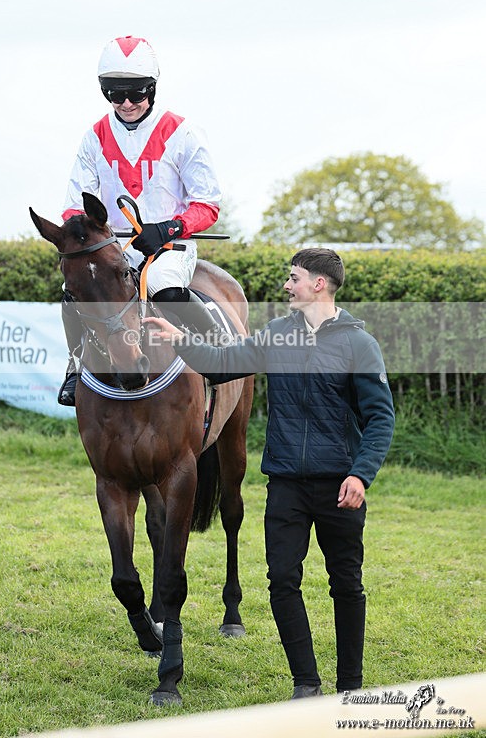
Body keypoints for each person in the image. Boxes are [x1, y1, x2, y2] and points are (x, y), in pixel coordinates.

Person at [145, 248, 395, 699]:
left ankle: (351, 687)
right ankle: (306, 685)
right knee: (282, 580)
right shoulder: (279, 334)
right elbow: (222, 363)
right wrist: (176, 338)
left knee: (346, 585)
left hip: (341, 484)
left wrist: (360, 475)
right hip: (285, 484)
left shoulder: (359, 344)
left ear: (319, 283)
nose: (287, 285)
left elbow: (380, 419)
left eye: (294, 277)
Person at [58, 34, 226, 405]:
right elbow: (73, 208)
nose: (127, 103)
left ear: (152, 88)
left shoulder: (183, 132)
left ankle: (221, 351)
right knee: (73, 293)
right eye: (116, 95)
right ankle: (74, 367)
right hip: (115, 248)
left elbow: (207, 204)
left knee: (164, 284)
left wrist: (168, 228)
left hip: (170, 246)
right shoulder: (94, 137)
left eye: (136, 93)